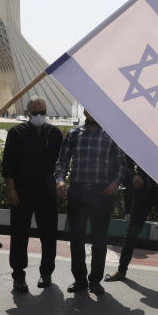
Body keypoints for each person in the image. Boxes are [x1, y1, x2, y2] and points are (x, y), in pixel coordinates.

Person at [55, 110, 125, 297]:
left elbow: (120, 165)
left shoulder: (111, 135)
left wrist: (115, 181)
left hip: (101, 194)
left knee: (99, 240)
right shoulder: (74, 133)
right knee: (76, 239)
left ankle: (95, 281)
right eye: (89, 107)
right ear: (85, 110)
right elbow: (61, 161)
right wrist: (60, 180)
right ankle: (79, 279)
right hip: (78, 191)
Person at [2, 97, 63, 293]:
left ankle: (46, 273)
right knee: (19, 235)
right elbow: (8, 164)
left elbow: (60, 163)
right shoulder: (16, 133)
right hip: (22, 192)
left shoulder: (54, 133)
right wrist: (11, 189)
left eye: (42, 112)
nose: (39, 116)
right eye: (34, 112)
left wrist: (60, 182)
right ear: (27, 113)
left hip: (47, 193)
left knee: (49, 235)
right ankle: (18, 276)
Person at [103, 160, 158, 285]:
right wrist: (133, 175)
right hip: (143, 189)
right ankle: (121, 270)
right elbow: (127, 158)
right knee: (131, 234)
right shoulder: (145, 140)